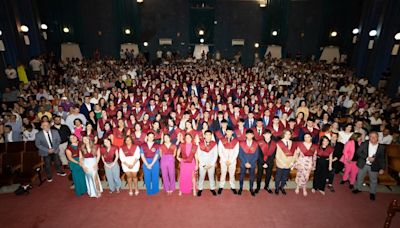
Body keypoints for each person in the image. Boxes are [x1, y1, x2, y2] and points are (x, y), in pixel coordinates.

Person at [352, 131, 386, 201]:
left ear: (378, 138)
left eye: (375, 137)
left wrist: (382, 168)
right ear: (369, 137)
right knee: (359, 177)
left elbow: (382, 158)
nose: (373, 138)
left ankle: (372, 193)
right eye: (371, 136)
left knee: (373, 180)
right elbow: (358, 152)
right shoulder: (364, 144)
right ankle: (358, 189)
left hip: (375, 165)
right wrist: (367, 158)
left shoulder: (382, 147)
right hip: (363, 164)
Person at [217, 127, 239, 195]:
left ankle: (232, 186)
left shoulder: (236, 141)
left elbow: (236, 152)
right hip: (223, 161)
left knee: (232, 175)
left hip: (232, 161)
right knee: (223, 174)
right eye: (227, 131)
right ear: (226, 132)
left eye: (230, 131)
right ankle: (221, 186)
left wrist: (231, 160)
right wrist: (225, 160)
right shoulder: (221, 140)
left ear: (232, 132)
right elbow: (220, 151)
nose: (229, 133)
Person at [196, 130, 218, 196]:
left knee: (211, 177)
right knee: (201, 177)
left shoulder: (214, 144)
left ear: (211, 136)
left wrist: (211, 164)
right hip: (203, 164)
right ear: (204, 136)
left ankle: (212, 188)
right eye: (206, 135)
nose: (208, 136)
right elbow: (199, 155)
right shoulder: (200, 143)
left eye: (209, 135)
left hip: (211, 163)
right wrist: (203, 164)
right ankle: (200, 189)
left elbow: (215, 154)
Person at [275, 129, 296, 195]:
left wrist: (292, 163)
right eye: (286, 134)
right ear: (283, 134)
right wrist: (282, 163)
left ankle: (282, 187)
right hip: (280, 163)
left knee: (285, 177)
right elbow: (277, 155)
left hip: (289, 164)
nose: (288, 135)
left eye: (289, 134)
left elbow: (295, 154)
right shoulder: (279, 143)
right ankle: (277, 188)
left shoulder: (292, 143)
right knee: (278, 177)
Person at [238, 129, 259, 196]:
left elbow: (256, 155)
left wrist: (250, 163)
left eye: (251, 134)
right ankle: (240, 188)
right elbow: (240, 154)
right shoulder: (241, 143)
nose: (249, 136)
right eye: (248, 134)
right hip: (243, 163)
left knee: (252, 177)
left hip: (252, 164)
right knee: (241, 176)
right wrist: (245, 162)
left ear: (253, 135)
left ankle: (251, 188)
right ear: (246, 135)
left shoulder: (256, 144)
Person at [255, 129, 277, 194]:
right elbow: (258, 154)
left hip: (269, 162)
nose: (267, 135)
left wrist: (267, 163)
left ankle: (266, 186)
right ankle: (258, 187)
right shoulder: (260, 143)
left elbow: (273, 154)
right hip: (260, 162)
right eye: (266, 134)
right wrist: (263, 163)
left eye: (268, 134)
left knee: (268, 175)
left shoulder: (274, 144)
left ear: (270, 135)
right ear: (263, 135)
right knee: (259, 175)